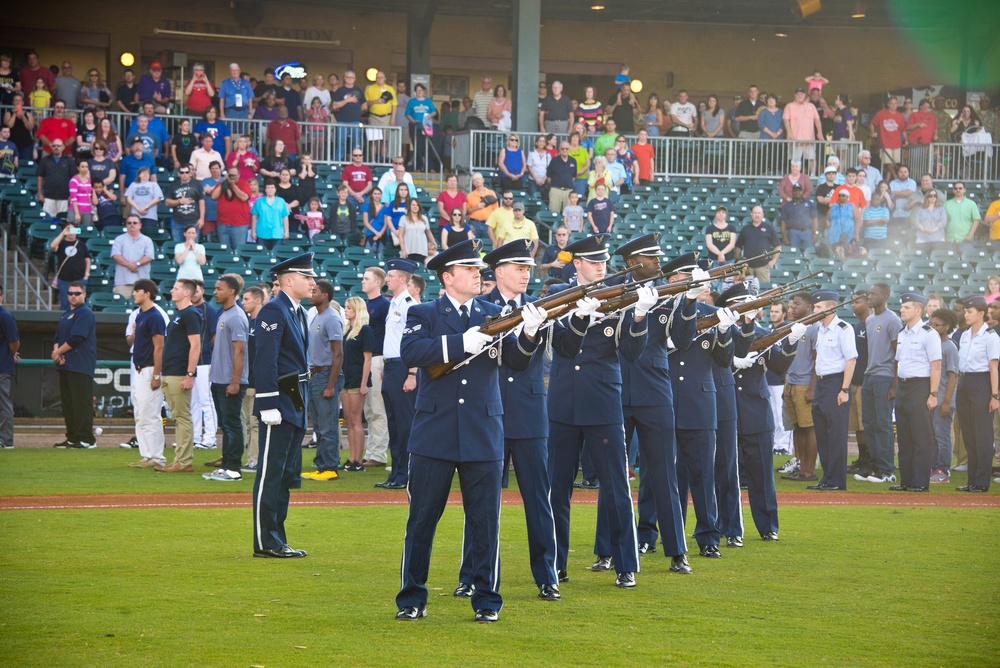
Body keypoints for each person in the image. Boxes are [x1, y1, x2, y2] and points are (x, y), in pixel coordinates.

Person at [394, 239, 541, 623]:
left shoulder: (494, 312)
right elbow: (411, 353)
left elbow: (517, 363)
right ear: (447, 277)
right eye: (470, 269)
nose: (479, 274)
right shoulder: (424, 313)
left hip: (483, 430)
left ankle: (487, 600)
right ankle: (412, 598)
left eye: (479, 269)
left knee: (485, 523)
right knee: (422, 520)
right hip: (435, 431)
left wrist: (528, 333)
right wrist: (462, 342)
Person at [453, 240, 561, 600]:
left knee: (537, 499)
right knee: (481, 501)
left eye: (528, 268)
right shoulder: (481, 310)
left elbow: (528, 361)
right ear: (498, 272)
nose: (526, 274)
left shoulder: (536, 309)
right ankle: (471, 574)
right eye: (519, 268)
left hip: (529, 413)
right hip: (491, 414)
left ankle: (547, 574)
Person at [547, 234, 652, 588]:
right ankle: (555, 564)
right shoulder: (558, 298)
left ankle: (625, 564)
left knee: (616, 486)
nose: (601, 267)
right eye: (593, 262)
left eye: (604, 262)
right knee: (557, 490)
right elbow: (562, 348)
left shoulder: (620, 301)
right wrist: (579, 317)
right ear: (577, 264)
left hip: (604, 402)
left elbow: (633, 354)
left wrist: (639, 317)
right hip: (564, 402)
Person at [607, 241, 700, 572]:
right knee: (614, 477)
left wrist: (688, 299)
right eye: (652, 257)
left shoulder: (665, 294)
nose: (659, 261)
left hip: (656, 393)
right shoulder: (612, 294)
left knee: (664, 475)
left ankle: (677, 551)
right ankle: (606, 550)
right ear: (633, 262)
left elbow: (683, 338)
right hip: (615, 390)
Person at [251, 253, 318, 557]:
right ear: (288, 280)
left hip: (295, 398)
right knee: (270, 473)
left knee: (286, 474)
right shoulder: (273, 310)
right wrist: (266, 402)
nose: (312, 282)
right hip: (278, 400)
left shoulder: (298, 312)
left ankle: (278, 538)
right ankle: (266, 541)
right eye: (307, 277)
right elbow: (265, 359)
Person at [375, 258, 420, 490]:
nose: (387, 279)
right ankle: (396, 473)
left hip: (404, 366)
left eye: (391, 276)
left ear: (403, 279)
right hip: (392, 366)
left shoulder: (409, 305)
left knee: (404, 424)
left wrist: (412, 373)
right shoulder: (394, 303)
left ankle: (406, 474)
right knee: (394, 424)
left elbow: (415, 342)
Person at [808, 290, 859, 490]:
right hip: (822, 383)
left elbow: (851, 360)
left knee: (836, 434)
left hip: (836, 382)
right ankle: (827, 477)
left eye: (819, 307)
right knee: (822, 433)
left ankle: (837, 480)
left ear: (830, 307)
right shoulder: (820, 329)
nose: (815, 310)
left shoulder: (843, 329)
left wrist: (844, 389)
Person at [891, 292, 941, 492]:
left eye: (907, 307)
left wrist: (933, 394)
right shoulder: (902, 334)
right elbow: (899, 363)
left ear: (918, 311)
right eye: (902, 307)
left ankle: (920, 482)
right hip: (903, 387)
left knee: (921, 437)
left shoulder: (929, 334)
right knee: (904, 437)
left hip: (920, 387)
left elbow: (936, 365)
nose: (902, 310)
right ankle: (906, 481)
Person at [856, 283, 902, 484]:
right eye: (869, 294)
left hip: (884, 377)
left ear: (885, 295)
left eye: (874, 294)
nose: (870, 297)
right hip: (869, 376)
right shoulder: (870, 320)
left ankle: (886, 469)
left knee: (883, 424)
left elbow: (898, 354)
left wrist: (894, 385)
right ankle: (874, 466)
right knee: (869, 423)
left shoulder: (893, 320)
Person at [954, 296, 1000, 492]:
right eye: (965, 311)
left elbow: (993, 368)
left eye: (970, 312)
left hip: (982, 383)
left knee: (982, 434)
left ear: (982, 314)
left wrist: (994, 395)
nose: (966, 315)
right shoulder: (964, 335)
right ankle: (972, 480)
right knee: (969, 434)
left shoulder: (991, 337)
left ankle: (982, 481)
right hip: (964, 382)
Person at [301, 279, 344, 481]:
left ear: (325, 295)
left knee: (328, 425)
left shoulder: (331, 318)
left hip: (326, 374)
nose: (311, 293)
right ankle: (321, 465)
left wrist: (331, 384)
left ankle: (330, 467)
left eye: (315, 291)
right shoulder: (317, 317)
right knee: (318, 425)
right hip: (316, 373)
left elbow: (338, 354)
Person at [127, 279, 168, 468]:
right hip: (138, 370)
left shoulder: (155, 316)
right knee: (140, 414)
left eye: (137, 291)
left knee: (151, 415)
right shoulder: (140, 316)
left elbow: (159, 347)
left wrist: (157, 375)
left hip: (150, 369)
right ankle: (146, 455)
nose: (134, 294)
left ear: (147, 293)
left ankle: (157, 456)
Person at [51, 282, 97, 449]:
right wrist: (57, 352)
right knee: (68, 404)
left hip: (80, 364)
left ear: (84, 294)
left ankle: (86, 439)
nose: (73, 296)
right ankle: (72, 437)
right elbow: (57, 338)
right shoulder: (65, 315)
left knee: (81, 403)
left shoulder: (85, 312)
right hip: (65, 365)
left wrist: (58, 353)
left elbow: (77, 338)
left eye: (77, 293)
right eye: (70, 293)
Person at [781, 292, 820, 483]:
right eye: (790, 305)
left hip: (805, 384)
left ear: (809, 307)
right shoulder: (791, 328)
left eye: (797, 304)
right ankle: (800, 465)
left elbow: (817, 360)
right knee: (797, 427)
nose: (792, 308)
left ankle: (809, 470)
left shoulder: (813, 329)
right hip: (790, 382)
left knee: (808, 428)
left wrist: (813, 388)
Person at [361, 267, 390, 468]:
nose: (363, 281)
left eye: (366, 278)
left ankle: (378, 455)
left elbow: (391, 334)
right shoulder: (364, 304)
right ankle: (372, 451)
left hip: (378, 358)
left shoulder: (384, 305)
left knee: (378, 409)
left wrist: (386, 362)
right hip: (367, 360)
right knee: (369, 410)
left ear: (378, 282)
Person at [341, 296, 373, 472]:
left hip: (356, 379)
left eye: (349, 308)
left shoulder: (365, 330)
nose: (346, 310)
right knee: (348, 419)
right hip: (345, 378)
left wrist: (363, 383)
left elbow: (367, 359)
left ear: (357, 310)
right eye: (345, 307)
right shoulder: (347, 329)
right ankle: (352, 458)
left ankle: (358, 460)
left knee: (355, 420)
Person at [928, 307, 960, 484]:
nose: (932, 327)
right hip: (932, 399)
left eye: (937, 325)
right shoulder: (932, 344)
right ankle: (933, 467)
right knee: (932, 436)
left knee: (942, 436)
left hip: (943, 400)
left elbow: (953, 376)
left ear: (947, 326)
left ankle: (943, 470)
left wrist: (947, 402)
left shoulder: (949, 347)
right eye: (931, 324)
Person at [110, 215, 155, 299]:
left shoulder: (147, 240)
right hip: (122, 283)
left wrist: (137, 264)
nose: (132, 225)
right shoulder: (119, 239)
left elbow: (149, 256)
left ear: (140, 225)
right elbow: (116, 255)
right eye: (129, 223)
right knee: (121, 308)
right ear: (126, 225)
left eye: (135, 223)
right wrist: (129, 265)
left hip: (142, 283)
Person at [49, 223, 91, 310]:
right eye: (69, 230)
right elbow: (53, 246)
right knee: (65, 304)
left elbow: (87, 260)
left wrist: (86, 276)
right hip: (64, 280)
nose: (71, 233)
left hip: (79, 279)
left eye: (73, 230)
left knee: (79, 305)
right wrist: (63, 233)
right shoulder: (61, 244)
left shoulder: (82, 245)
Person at [734, 206, 780, 285]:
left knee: (764, 291)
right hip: (747, 268)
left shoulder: (768, 228)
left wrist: (774, 260)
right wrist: (738, 259)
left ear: (762, 215)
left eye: (759, 213)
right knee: (746, 289)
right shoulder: (745, 229)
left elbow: (778, 246)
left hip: (763, 266)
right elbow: (738, 246)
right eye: (755, 213)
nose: (757, 215)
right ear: (751, 214)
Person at [0, 284, 20, 449]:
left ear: (1, 297)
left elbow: (14, 342)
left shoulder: (5, 316)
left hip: (1, 366)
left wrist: (11, 354)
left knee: (3, 403)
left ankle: (6, 440)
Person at [213, 167, 252, 249]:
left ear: (239, 175)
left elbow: (244, 197)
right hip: (223, 223)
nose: (232, 177)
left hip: (239, 224)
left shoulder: (244, 184)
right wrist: (223, 182)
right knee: (224, 250)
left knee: (239, 250)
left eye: (234, 175)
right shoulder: (222, 184)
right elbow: (214, 196)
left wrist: (233, 185)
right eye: (231, 174)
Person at [36, 139, 75, 218]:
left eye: (58, 146)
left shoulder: (69, 160)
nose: (56, 147)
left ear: (63, 147)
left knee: (63, 222)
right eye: (54, 146)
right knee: (48, 221)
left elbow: (74, 179)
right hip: (49, 196)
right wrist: (40, 194)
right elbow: (40, 177)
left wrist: (72, 195)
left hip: (64, 197)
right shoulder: (45, 160)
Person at [166, 165, 205, 242]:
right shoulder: (173, 185)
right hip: (178, 222)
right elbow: (167, 202)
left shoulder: (197, 185)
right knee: (178, 247)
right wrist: (180, 201)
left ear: (190, 173)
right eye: (182, 172)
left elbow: (202, 202)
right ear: (179, 174)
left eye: (187, 172)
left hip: (194, 221)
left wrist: (202, 218)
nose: (184, 174)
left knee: (193, 246)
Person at [251, 180, 290, 250]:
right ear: (265, 189)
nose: (270, 189)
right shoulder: (259, 201)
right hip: (262, 233)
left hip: (277, 233)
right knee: (262, 255)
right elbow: (254, 217)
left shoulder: (281, 201)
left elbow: (285, 217)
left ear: (275, 189)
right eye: (268, 187)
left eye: (272, 187)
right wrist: (253, 231)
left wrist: (286, 231)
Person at [944, 182, 982, 252]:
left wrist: (970, 234)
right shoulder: (946, 204)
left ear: (964, 190)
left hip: (965, 239)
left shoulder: (971, 204)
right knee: (951, 261)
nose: (958, 190)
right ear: (953, 190)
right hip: (950, 239)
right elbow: (943, 221)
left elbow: (976, 220)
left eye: (960, 188)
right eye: (956, 188)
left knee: (965, 261)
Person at [780, 184, 819, 251]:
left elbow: (815, 220)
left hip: (808, 232)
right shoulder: (786, 206)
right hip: (793, 232)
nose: (797, 192)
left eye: (799, 190)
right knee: (794, 252)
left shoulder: (810, 204)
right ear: (792, 192)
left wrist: (815, 234)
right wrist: (784, 236)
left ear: (802, 192)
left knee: (808, 252)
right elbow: (783, 222)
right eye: (795, 190)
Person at [124, 167, 163, 233]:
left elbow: (157, 198)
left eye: (147, 173)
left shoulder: (154, 184)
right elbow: (129, 198)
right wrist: (138, 209)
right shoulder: (133, 185)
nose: (145, 175)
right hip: (135, 216)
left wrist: (145, 207)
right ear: (139, 175)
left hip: (150, 216)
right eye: (143, 173)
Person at [399, 198, 436, 265]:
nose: (415, 207)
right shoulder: (403, 219)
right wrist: (403, 249)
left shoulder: (424, 218)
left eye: (417, 205)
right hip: (409, 250)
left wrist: (434, 243)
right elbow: (401, 235)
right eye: (413, 205)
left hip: (421, 250)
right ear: (409, 206)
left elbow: (428, 232)